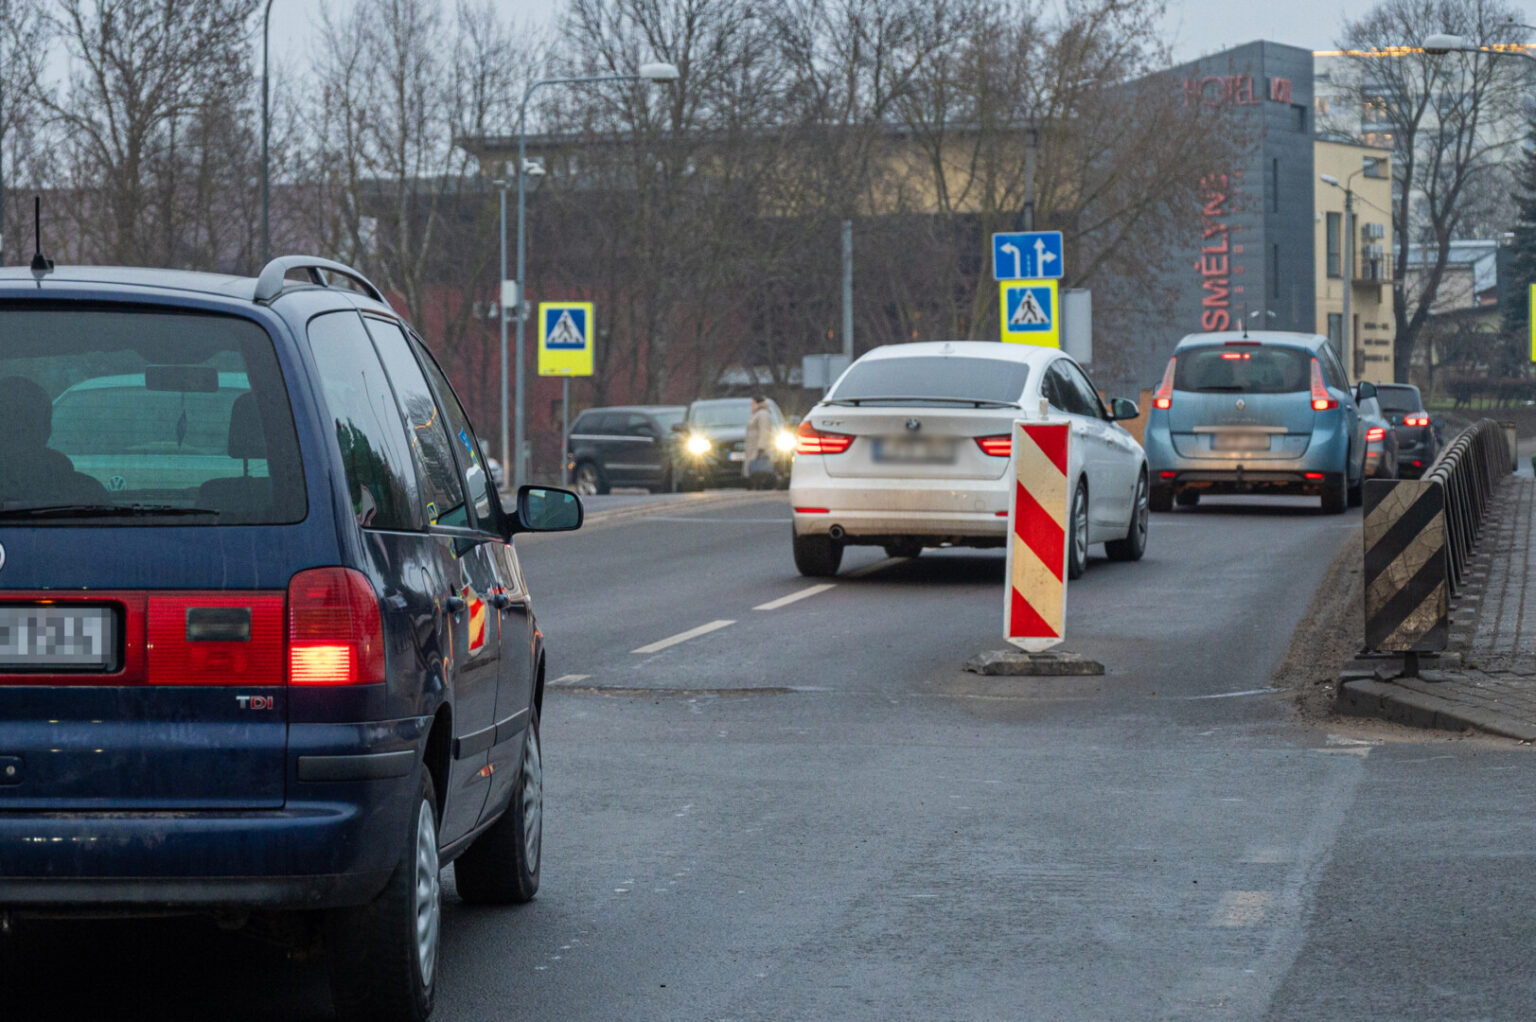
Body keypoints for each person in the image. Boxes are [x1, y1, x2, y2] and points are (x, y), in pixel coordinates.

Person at [0, 376, 109, 505]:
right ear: (47, 429)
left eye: (25, 422)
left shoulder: (89, 494)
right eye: (9, 421)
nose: (18, 427)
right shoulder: (88, 495)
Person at [742, 394, 776, 490]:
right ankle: (756, 484)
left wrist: (761, 447)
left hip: (757, 448)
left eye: (752, 403)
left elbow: (764, 432)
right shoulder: (757, 414)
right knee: (754, 468)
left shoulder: (762, 414)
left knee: (758, 467)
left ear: (757, 403)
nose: (751, 405)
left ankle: (760, 485)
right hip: (753, 447)